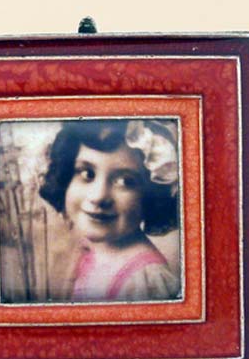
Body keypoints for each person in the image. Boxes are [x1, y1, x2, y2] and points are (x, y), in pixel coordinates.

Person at [39, 119, 181, 302]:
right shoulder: (92, 249)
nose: (98, 196)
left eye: (125, 182)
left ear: (150, 196)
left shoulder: (142, 281)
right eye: (87, 174)